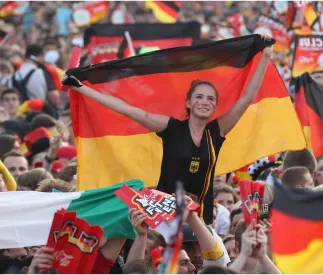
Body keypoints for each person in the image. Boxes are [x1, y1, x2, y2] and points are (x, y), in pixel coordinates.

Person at [62, 35, 273, 224]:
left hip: (201, 216)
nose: (204, 102)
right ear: (188, 103)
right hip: (165, 216)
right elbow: (128, 110)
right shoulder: (171, 127)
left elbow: (246, 97)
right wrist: (82, 88)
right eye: (198, 97)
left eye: (210, 99)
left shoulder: (218, 131)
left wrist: (265, 56)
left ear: (215, 106)